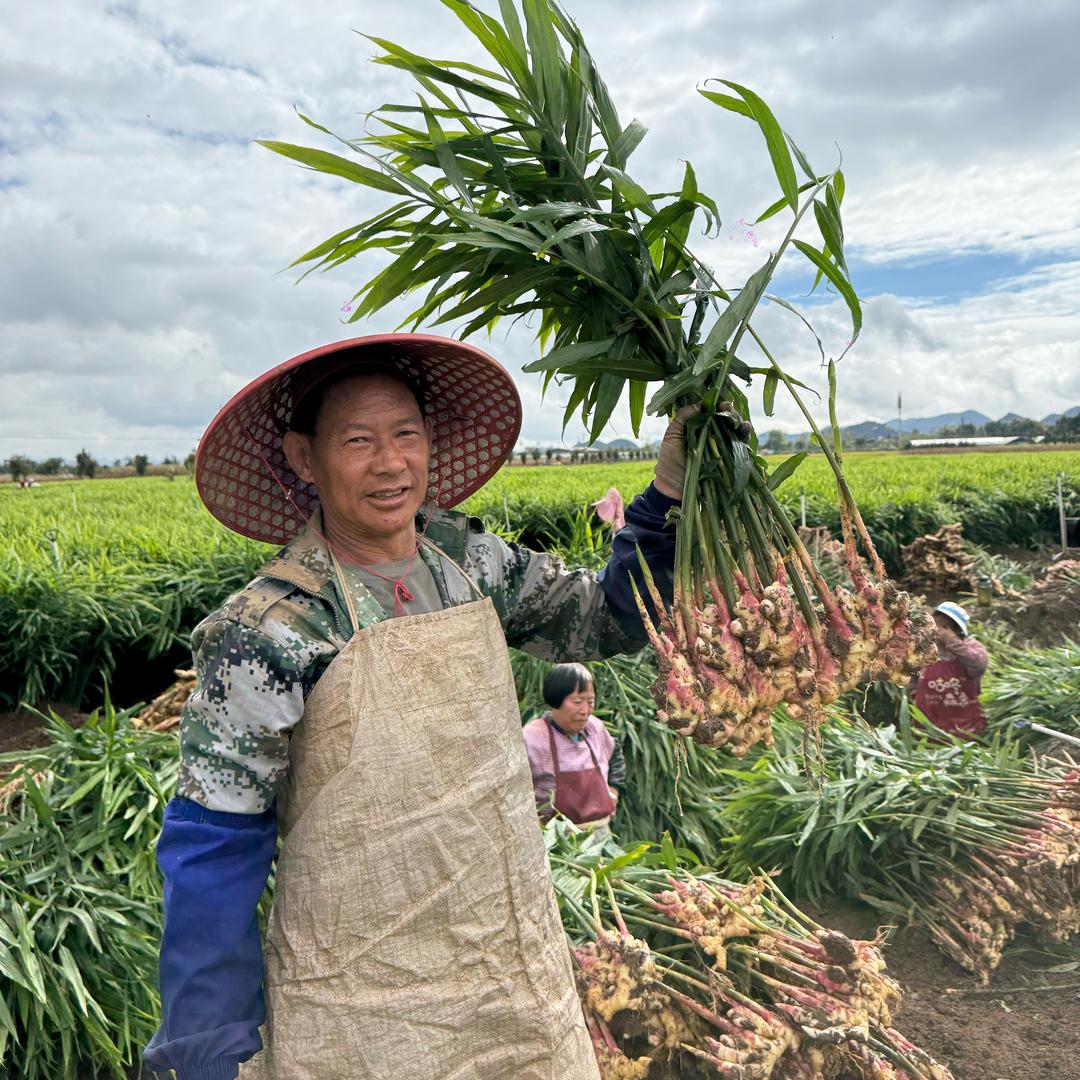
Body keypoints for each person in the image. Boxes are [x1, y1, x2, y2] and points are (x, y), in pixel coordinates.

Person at [143, 333, 690, 1080]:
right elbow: (214, 845)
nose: (390, 461)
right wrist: (207, 1041)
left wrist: (667, 495)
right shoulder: (268, 628)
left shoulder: (469, 563)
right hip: (360, 1005)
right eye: (358, 440)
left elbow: (609, 618)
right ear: (305, 457)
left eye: (406, 434)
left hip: (509, 976)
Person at [522, 663, 624, 828]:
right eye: (577, 702)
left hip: (600, 834)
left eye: (590, 701)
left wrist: (613, 792)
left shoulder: (595, 728)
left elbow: (616, 757)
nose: (585, 710)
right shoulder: (532, 738)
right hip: (555, 841)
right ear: (555, 699)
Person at [912, 601, 988, 737]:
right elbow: (910, 682)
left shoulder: (971, 648)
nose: (937, 632)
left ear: (956, 630)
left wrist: (952, 642)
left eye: (943, 627)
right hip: (928, 729)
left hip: (965, 728)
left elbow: (978, 666)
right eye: (935, 626)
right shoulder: (923, 651)